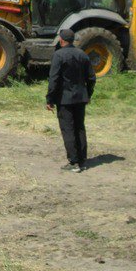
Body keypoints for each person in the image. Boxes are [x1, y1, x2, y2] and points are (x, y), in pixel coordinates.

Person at [45, 28, 96, 173]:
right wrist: (88, 94)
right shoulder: (83, 55)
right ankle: (82, 160)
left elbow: (53, 79)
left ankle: (73, 162)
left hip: (65, 99)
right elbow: (92, 78)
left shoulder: (58, 55)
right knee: (79, 127)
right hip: (81, 98)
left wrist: (50, 99)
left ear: (61, 40)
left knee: (68, 130)